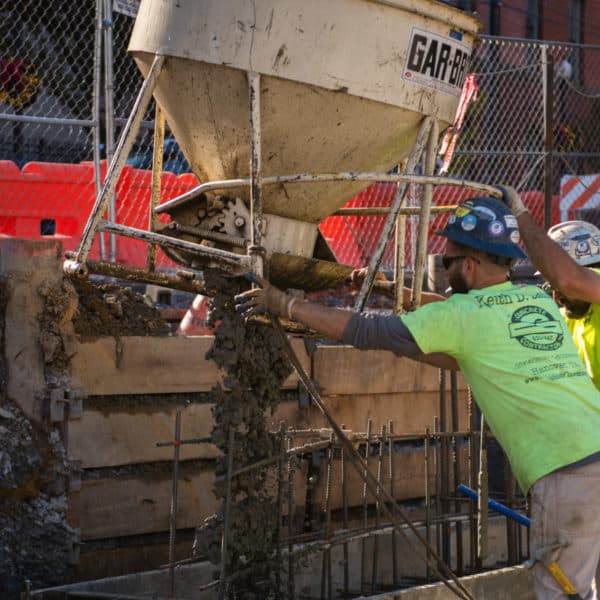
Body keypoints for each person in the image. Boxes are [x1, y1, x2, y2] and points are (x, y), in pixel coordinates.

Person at [235, 195, 600, 600]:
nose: (444, 269)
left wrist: (286, 304)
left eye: (447, 260)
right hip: (593, 452)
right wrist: (399, 302)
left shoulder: (461, 315)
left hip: (566, 473)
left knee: (562, 592)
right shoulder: (535, 302)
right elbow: (460, 356)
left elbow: (370, 331)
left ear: (470, 265)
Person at [502, 185, 600, 391]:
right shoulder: (569, 318)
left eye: (556, 285)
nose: (556, 297)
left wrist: (520, 215)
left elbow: (568, 281)